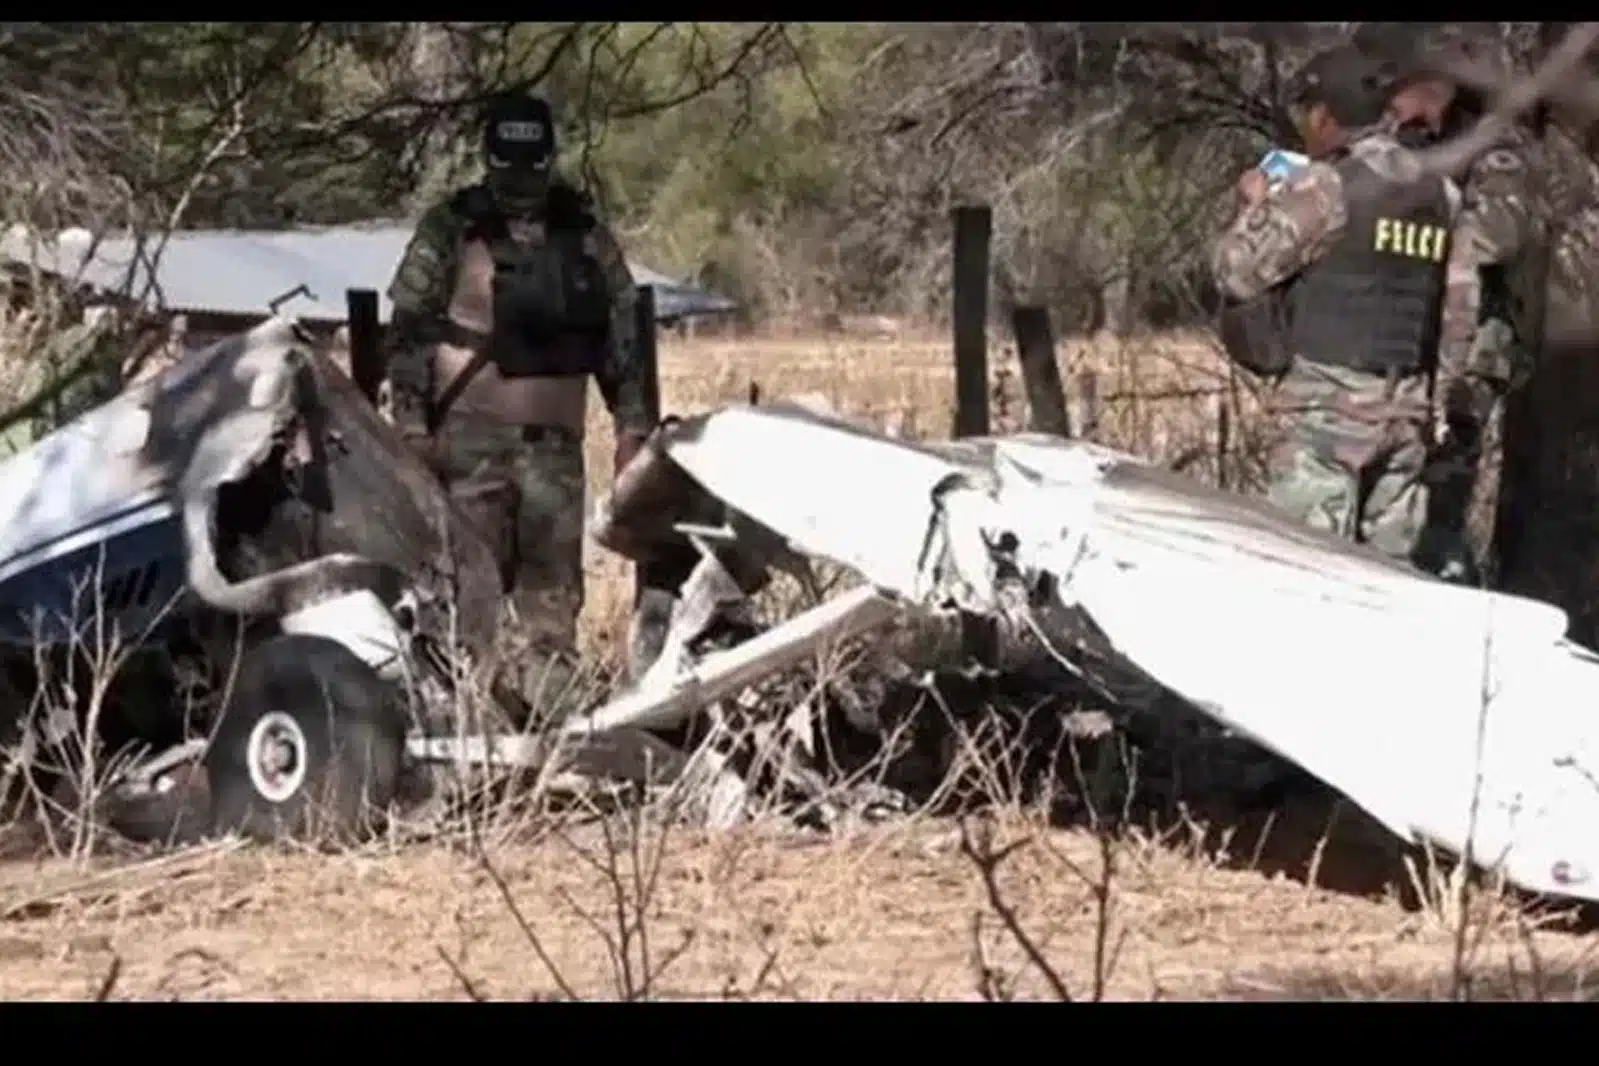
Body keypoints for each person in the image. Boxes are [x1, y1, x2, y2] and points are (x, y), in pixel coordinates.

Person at [383, 91, 656, 717]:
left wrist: (632, 430)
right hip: (467, 448)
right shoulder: (452, 228)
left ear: (549, 159)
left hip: (553, 455)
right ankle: (462, 738)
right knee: (461, 608)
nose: (522, 181)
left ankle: (550, 740)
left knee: (550, 615)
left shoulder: (584, 235)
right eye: (509, 166)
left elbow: (623, 340)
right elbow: (409, 335)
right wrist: (412, 429)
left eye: (533, 166)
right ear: (490, 159)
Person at [1210, 44, 1469, 572]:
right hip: (1406, 414)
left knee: (1307, 577)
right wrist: (1437, 400)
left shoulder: (1326, 187)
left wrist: (1251, 206)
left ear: (1327, 116)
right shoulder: (1440, 193)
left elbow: (1234, 271)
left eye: (1309, 115)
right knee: (1392, 584)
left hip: (1324, 419)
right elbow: (1459, 309)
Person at [1358, 25, 1545, 585]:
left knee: (1437, 509)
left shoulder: (1500, 151)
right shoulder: (1411, 143)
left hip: (1471, 355)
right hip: (1402, 340)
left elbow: (1493, 236)